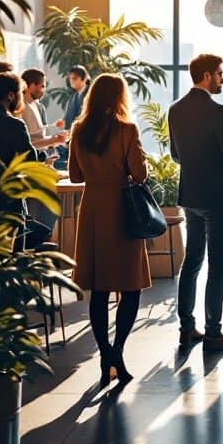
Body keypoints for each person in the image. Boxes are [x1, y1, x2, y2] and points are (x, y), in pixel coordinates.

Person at [69, 73, 150, 387]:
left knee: (99, 288)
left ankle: (107, 355)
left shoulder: (79, 131)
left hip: (92, 210)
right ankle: (116, 351)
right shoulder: (126, 130)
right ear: (119, 97)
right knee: (130, 287)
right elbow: (140, 175)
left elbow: (75, 176)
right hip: (121, 210)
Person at [168, 53, 223, 353]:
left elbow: (176, 155)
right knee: (217, 266)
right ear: (207, 75)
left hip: (192, 196)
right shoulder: (219, 111)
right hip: (219, 199)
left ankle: (186, 328)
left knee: (192, 261)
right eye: (220, 73)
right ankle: (213, 333)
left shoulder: (175, 109)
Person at [0, 72, 50, 249]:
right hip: (9, 204)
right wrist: (43, 157)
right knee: (13, 259)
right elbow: (30, 160)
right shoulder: (14, 125)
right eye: (19, 94)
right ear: (10, 95)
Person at [20, 68, 68, 156]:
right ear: (31, 86)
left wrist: (56, 139)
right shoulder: (22, 108)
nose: (44, 90)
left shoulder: (35, 104)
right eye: (42, 86)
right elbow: (27, 144)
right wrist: (54, 140)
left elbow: (39, 134)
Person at [64, 65, 90, 131]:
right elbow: (68, 118)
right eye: (70, 78)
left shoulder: (91, 93)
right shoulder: (73, 96)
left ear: (84, 78)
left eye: (74, 78)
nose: (71, 81)